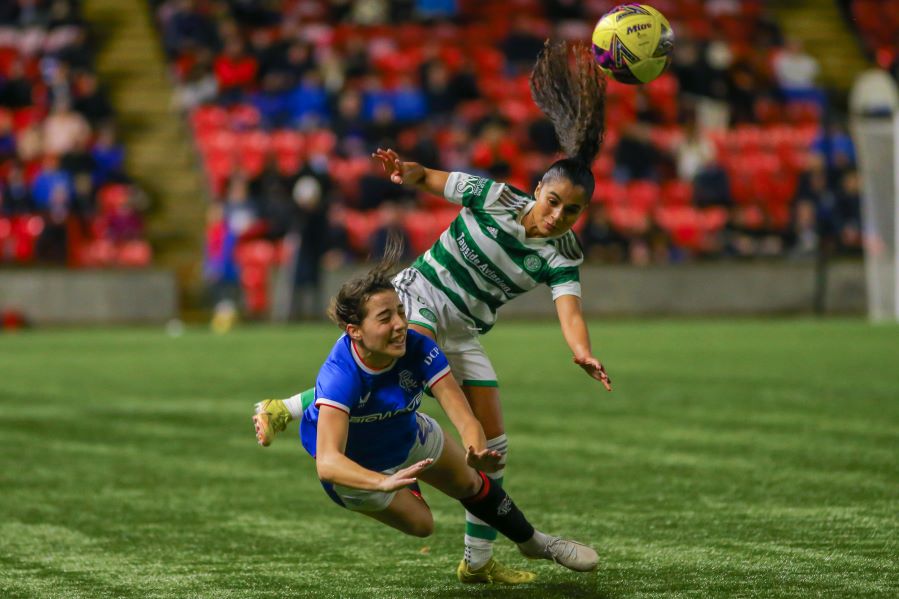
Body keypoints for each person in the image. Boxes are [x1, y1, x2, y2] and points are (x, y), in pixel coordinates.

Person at [254, 40, 612, 584]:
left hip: (463, 328)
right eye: (553, 200)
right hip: (420, 295)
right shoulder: (493, 197)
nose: (558, 215)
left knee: (494, 445)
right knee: (407, 364)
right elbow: (433, 179)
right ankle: (287, 406)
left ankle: (479, 563)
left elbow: (570, 311)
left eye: (573, 211)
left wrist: (581, 350)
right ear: (538, 189)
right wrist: (407, 172)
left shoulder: (563, 255)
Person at [268, 238, 599, 579]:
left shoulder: (418, 347)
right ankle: (402, 477)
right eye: (385, 318)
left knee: (471, 484)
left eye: (400, 311)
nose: (400, 324)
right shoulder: (340, 375)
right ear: (355, 332)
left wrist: (476, 447)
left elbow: (464, 416)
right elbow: (329, 463)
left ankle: (535, 543)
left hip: (408, 433)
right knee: (424, 526)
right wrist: (381, 482)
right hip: (359, 469)